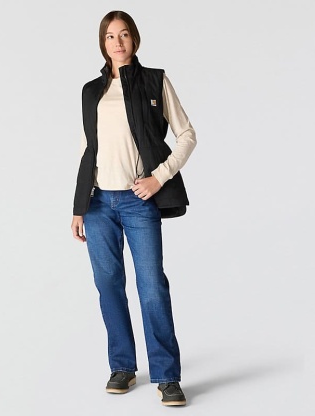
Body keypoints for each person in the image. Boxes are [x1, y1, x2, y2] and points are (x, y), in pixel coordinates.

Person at [71, 10, 196, 406]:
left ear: (134, 39)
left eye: (124, 34)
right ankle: (122, 367)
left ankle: (167, 376)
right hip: (98, 204)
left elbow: (187, 134)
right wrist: (78, 206)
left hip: (138, 201)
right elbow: (87, 149)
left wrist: (159, 177)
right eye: (110, 36)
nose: (118, 42)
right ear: (102, 43)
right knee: (108, 285)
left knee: (151, 286)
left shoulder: (155, 80)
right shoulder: (91, 91)